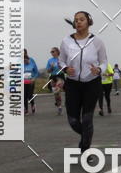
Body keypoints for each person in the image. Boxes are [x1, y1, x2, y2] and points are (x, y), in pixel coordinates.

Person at [60, 11, 107, 152]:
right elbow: (61, 60)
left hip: (91, 84)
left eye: (82, 19)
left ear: (88, 22)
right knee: (73, 121)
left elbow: (104, 62)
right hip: (73, 84)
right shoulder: (66, 41)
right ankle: (87, 135)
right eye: (76, 20)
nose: (78, 22)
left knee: (87, 119)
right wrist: (65, 68)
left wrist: (98, 69)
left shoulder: (97, 42)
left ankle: (85, 148)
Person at [46, 47, 64, 114]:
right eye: (51, 52)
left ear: (57, 52)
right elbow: (48, 71)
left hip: (60, 76)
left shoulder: (61, 59)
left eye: (53, 51)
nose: (52, 53)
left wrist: (60, 67)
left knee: (57, 89)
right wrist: (51, 67)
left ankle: (59, 104)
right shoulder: (50, 60)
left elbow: (65, 69)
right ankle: (59, 106)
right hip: (53, 76)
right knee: (56, 93)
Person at [23, 49, 39, 114]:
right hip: (23, 82)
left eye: (24, 53)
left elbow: (36, 72)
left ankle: (33, 105)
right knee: (24, 96)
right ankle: (26, 110)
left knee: (30, 95)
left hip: (31, 81)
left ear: (26, 53)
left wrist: (34, 78)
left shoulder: (31, 60)